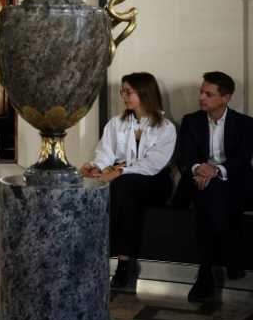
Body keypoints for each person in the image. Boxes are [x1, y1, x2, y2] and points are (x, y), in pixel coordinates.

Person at [81, 72, 177, 293]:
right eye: (122, 91)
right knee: (125, 194)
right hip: (125, 183)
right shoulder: (117, 123)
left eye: (128, 91)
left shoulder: (165, 127)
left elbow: (153, 164)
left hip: (155, 182)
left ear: (144, 92)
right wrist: (95, 166)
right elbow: (105, 152)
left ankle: (101, 254)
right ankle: (124, 264)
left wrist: (120, 170)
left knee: (122, 185)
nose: (123, 96)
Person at [175, 71, 253, 302]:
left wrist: (216, 171)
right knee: (211, 193)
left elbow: (241, 160)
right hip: (199, 181)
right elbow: (185, 157)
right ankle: (230, 261)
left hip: (232, 182)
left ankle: (205, 274)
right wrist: (200, 169)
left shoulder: (245, 124)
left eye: (208, 94)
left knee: (213, 194)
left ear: (225, 98)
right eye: (201, 92)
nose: (202, 97)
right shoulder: (191, 121)